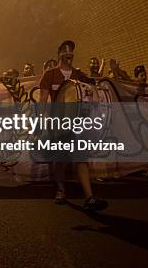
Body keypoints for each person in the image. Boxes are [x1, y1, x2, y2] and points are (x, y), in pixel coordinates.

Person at [38, 40, 107, 211]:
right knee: (59, 158)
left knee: (81, 158)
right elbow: (42, 101)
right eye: (65, 50)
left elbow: (90, 94)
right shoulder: (50, 74)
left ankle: (89, 197)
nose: (69, 53)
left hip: (77, 123)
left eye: (71, 51)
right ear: (59, 53)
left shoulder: (79, 75)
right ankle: (61, 190)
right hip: (57, 122)